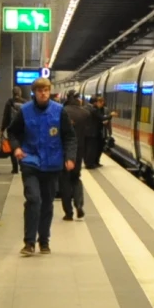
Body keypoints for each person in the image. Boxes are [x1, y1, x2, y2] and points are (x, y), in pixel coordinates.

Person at [9, 76, 75, 256]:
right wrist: (16, 149)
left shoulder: (59, 111)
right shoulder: (24, 111)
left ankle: (44, 240)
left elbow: (69, 136)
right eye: (39, 90)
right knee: (33, 200)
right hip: (30, 162)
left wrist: (70, 157)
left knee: (47, 203)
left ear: (50, 91)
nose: (43, 93)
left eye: (46, 90)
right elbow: (12, 132)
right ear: (34, 93)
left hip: (52, 165)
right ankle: (29, 243)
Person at [59, 89, 92, 221]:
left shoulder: (62, 111)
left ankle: (68, 213)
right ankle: (79, 204)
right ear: (78, 99)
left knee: (64, 181)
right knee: (76, 178)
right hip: (79, 150)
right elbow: (89, 133)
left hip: (63, 151)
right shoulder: (85, 113)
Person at [84, 94, 110, 170]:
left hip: (89, 132)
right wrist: (111, 115)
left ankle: (90, 162)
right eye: (98, 102)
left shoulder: (86, 108)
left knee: (90, 148)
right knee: (91, 149)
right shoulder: (94, 110)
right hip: (93, 132)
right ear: (95, 102)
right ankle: (90, 163)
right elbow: (101, 118)